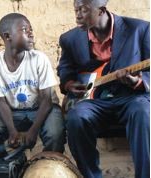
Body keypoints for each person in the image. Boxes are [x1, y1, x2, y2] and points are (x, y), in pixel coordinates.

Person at [57, 0, 150, 178]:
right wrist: (69, 83)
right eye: (76, 10)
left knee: (143, 111)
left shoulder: (140, 30)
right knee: (76, 117)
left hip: (131, 97)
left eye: (83, 10)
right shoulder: (69, 38)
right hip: (94, 100)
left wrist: (137, 81)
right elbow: (65, 69)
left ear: (101, 11)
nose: (77, 15)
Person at [0, 13, 65, 153]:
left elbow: (46, 100)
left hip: (44, 109)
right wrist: (12, 131)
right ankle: (6, 167)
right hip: (14, 112)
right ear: (7, 36)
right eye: (24, 30)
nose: (31, 34)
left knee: (54, 134)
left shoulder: (39, 59)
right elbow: (1, 102)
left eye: (31, 30)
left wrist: (33, 131)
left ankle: (50, 165)